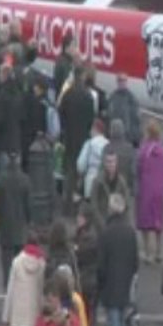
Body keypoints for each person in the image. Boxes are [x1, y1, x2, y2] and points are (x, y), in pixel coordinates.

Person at [60, 64, 96, 214]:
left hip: (69, 138)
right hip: (83, 139)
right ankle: (77, 206)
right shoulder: (88, 96)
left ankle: (67, 206)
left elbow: (61, 113)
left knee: (69, 174)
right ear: (83, 76)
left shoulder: (67, 94)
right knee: (81, 175)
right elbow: (91, 119)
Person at [0, 151, 32, 289]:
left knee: (6, 257)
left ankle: (7, 283)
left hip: (5, 224)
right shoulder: (25, 180)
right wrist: (29, 220)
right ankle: (19, 282)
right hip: (20, 224)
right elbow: (29, 205)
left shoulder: (1, 179)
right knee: (20, 256)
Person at [136, 121, 163, 264]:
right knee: (158, 223)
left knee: (146, 224)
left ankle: (147, 253)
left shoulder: (144, 151)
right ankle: (159, 253)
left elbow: (139, 170)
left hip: (146, 189)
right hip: (160, 190)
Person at [2, 232, 47, 326]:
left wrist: (6, 319)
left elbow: (10, 292)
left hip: (18, 320)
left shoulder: (17, 262)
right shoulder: (42, 263)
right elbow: (43, 292)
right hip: (36, 319)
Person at [90, 146, 131, 233]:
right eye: (108, 162)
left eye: (113, 161)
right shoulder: (98, 181)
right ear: (104, 163)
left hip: (118, 224)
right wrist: (102, 224)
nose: (111, 164)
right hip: (102, 224)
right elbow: (94, 205)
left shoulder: (121, 181)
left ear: (117, 162)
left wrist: (124, 223)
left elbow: (127, 203)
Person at [0, 58, 25, 172]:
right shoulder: (19, 94)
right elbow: (23, 118)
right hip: (16, 143)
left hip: (4, 143)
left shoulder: (1, 95)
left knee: (4, 178)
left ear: (4, 75)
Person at [74, 202, 99, 326]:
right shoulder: (81, 234)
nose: (77, 219)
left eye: (80, 216)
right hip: (86, 279)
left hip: (88, 281)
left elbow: (80, 255)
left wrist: (75, 249)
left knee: (86, 318)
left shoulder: (89, 237)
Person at [105, 73, 141, 148]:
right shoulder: (112, 97)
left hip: (127, 138)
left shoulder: (131, 98)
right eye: (120, 80)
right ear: (117, 82)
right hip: (113, 136)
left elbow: (136, 119)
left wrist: (135, 138)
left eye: (124, 80)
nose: (122, 82)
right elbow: (108, 115)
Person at [77, 119, 109, 199]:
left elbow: (81, 165)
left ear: (95, 129)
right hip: (105, 181)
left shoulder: (89, 144)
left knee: (90, 206)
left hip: (91, 180)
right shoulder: (108, 144)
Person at [105, 119, 137, 196]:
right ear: (123, 131)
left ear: (111, 131)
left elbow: (102, 168)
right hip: (125, 188)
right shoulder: (129, 149)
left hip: (109, 188)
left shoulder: (107, 148)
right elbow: (133, 171)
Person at [44, 220, 78, 285]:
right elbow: (75, 275)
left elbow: (46, 275)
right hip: (68, 290)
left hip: (53, 292)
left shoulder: (49, 254)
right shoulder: (70, 253)